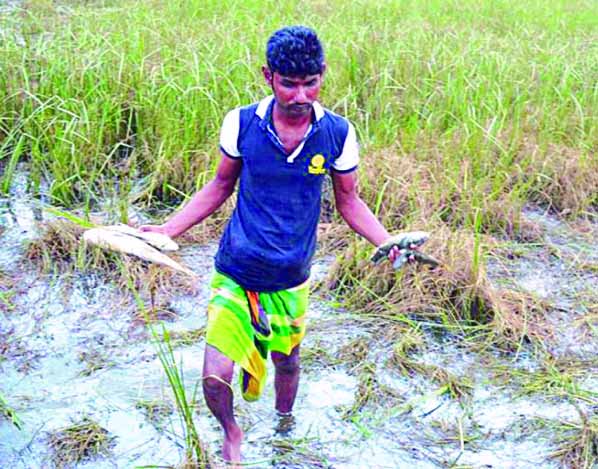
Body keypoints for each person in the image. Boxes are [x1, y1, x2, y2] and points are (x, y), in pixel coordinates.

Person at [141, 25, 406, 463]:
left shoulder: (337, 134)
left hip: (291, 276)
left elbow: (350, 201)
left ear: (322, 75)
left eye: (310, 84)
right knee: (214, 378)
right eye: (288, 84)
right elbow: (219, 185)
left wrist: (387, 241)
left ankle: (284, 424)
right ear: (268, 76)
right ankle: (231, 432)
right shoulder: (242, 122)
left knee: (287, 361)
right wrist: (168, 230)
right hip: (236, 268)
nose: (300, 96)